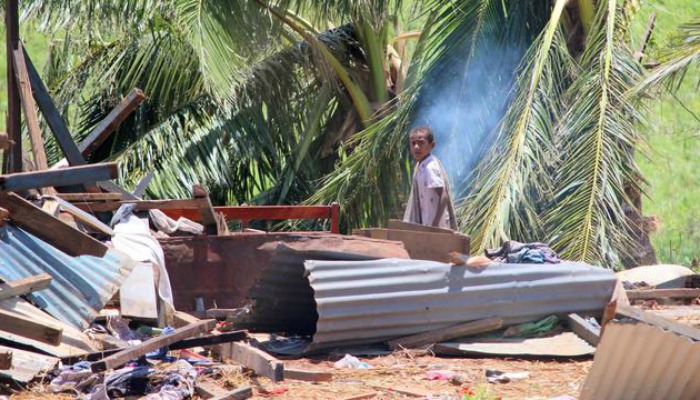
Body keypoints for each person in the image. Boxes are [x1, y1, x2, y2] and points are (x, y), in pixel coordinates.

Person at [403, 126, 458, 230]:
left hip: (437, 227)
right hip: (428, 224)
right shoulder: (421, 166)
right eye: (413, 143)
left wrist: (435, 225)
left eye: (421, 143)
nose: (416, 147)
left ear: (432, 145)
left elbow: (443, 195)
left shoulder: (430, 167)